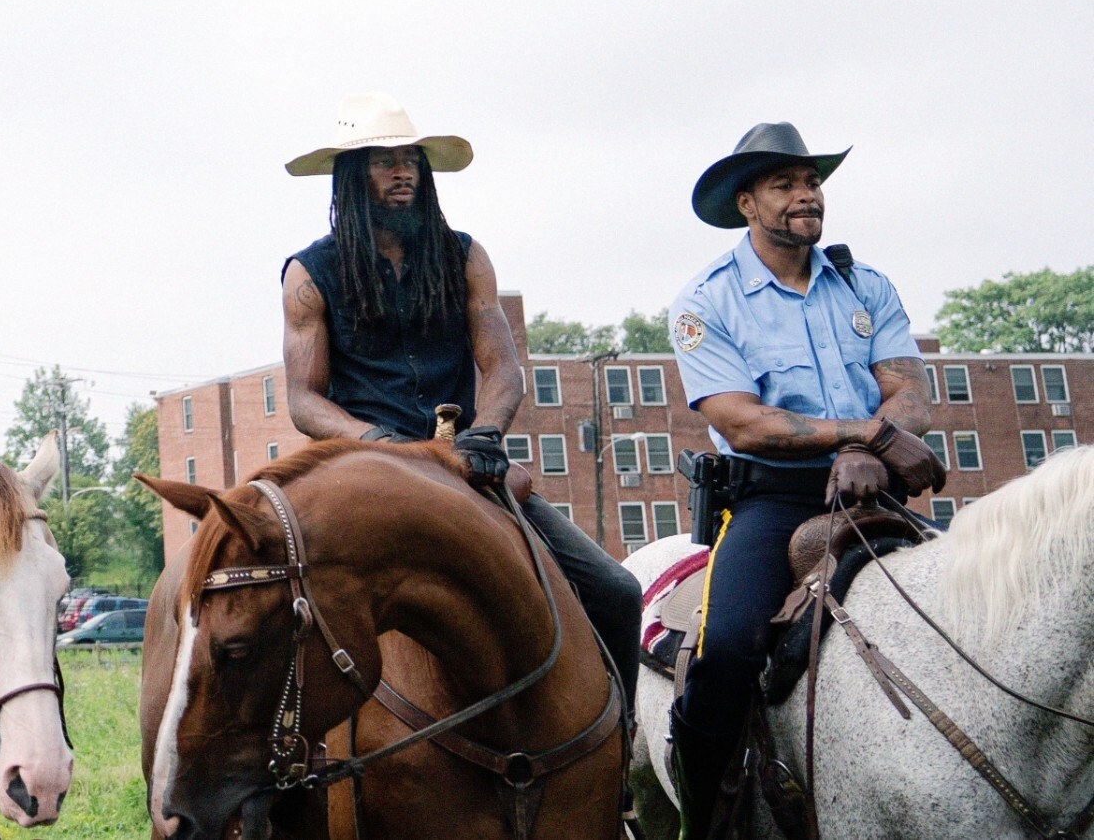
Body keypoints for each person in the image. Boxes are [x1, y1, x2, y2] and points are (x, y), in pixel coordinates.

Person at [276, 92, 642, 709]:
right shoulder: (310, 274)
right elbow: (305, 402)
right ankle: (275, 778)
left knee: (615, 591)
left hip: (469, 465)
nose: (404, 172)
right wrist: (383, 444)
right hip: (364, 469)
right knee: (275, 611)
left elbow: (503, 369)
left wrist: (487, 434)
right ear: (350, 174)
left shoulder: (465, 256)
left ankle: (619, 759)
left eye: (411, 158)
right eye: (384, 160)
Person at [663, 122, 942, 838]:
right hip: (770, 499)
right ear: (747, 203)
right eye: (785, 184)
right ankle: (708, 819)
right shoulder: (706, 302)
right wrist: (864, 433)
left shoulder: (864, 284)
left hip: (876, 488)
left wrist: (876, 452)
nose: (806, 195)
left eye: (812, 182)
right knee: (726, 649)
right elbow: (745, 421)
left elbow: (907, 388)